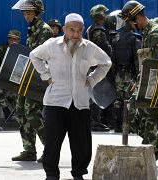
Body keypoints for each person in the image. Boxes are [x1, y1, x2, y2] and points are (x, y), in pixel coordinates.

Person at [30, 13, 111, 180]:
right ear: (65, 29)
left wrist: (92, 79)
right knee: (52, 142)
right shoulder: (52, 45)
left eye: (79, 30)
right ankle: (51, 174)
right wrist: (46, 75)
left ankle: (79, 174)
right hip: (56, 102)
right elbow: (34, 56)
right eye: (72, 30)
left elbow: (106, 63)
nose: (75, 34)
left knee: (81, 144)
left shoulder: (89, 47)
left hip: (80, 103)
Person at [121, 0, 158, 160]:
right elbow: (146, 63)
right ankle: (155, 146)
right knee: (136, 116)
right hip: (147, 84)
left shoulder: (155, 33)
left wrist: (144, 84)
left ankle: (152, 151)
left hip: (155, 85)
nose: (131, 26)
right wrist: (137, 83)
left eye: (130, 21)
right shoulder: (147, 33)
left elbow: (157, 65)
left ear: (136, 18)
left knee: (145, 118)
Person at [11, 0, 52, 162]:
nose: (26, 16)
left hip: (37, 79)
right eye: (25, 13)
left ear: (37, 12)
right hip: (27, 78)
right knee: (20, 112)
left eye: (29, 12)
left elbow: (43, 57)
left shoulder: (44, 30)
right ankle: (29, 150)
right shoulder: (32, 30)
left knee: (32, 113)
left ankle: (50, 148)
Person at [109, 11, 141, 133]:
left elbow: (113, 59)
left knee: (118, 100)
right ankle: (128, 125)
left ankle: (117, 125)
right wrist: (139, 75)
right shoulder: (135, 38)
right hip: (130, 74)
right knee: (129, 100)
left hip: (119, 74)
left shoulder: (116, 38)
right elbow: (137, 59)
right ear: (131, 23)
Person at [85, 4, 111, 132]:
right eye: (104, 13)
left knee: (93, 94)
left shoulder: (91, 29)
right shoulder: (99, 31)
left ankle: (94, 120)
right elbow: (104, 49)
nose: (106, 16)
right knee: (97, 94)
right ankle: (94, 121)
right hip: (97, 66)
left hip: (91, 66)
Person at [0, 29, 22, 123]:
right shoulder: (1, 49)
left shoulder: (22, 51)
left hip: (14, 84)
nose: (12, 41)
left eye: (15, 39)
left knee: (19, 97)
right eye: (10, 39)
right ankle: (6, 113)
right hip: (1, 81)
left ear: (18, 40)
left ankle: (19, 118)